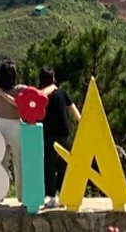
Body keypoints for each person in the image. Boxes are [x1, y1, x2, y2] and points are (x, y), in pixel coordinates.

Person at [37, 66, 81, 209]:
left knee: (49, 165)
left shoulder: (42, 95)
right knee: (64, 165)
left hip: (48, 134)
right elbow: (76, 114)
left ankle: (51, 197)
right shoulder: (62, 93)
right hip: (64, 133)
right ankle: (65, 194)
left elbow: (37, 99)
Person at [0, 60, 25, 202]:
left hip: (0, 126)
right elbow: (20, 103)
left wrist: (1, 94)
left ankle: (0, 195)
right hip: (16, 125)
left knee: (1, 162)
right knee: (19, 162)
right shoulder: (21, 89)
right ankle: (22, 196)